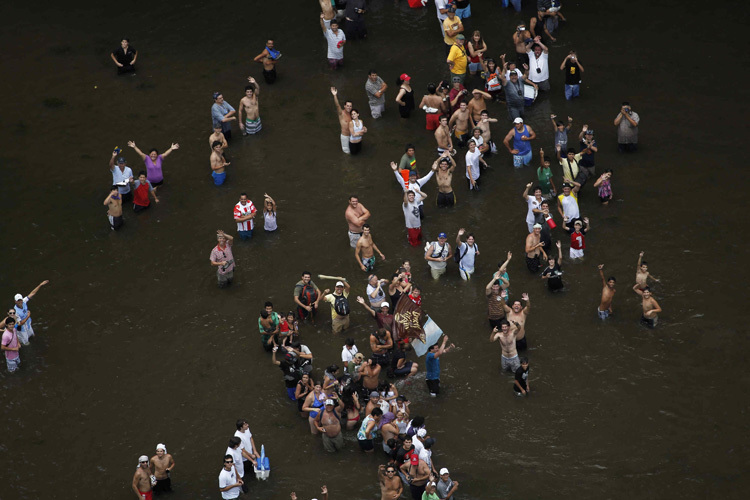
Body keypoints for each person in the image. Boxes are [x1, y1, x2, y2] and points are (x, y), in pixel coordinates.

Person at [330, 87, 353, 154]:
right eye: (348, 106)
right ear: (344, 106)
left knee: (353, 150)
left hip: (351, 136)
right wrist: (335, 95)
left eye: (350, 106)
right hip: (345, 136)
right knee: (347, 152)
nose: (349, 107)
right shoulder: (341, 113)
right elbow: (337, 105)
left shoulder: (352, 114)